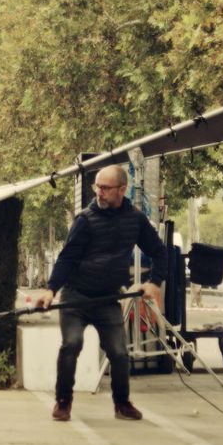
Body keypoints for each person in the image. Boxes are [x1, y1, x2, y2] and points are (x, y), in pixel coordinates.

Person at [37, 165, 166, 422]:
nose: (99, 192)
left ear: (122, 189)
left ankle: (122, 404)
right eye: (97, 186)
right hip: (76, 297)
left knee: (119, 352)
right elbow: (67, 258)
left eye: (105, 188)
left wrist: (154, 282)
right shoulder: (85, 220)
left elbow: (159, 252)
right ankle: (63, 401)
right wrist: (51, 290)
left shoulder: (135, 219)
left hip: (108, 298)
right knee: (72, 343)